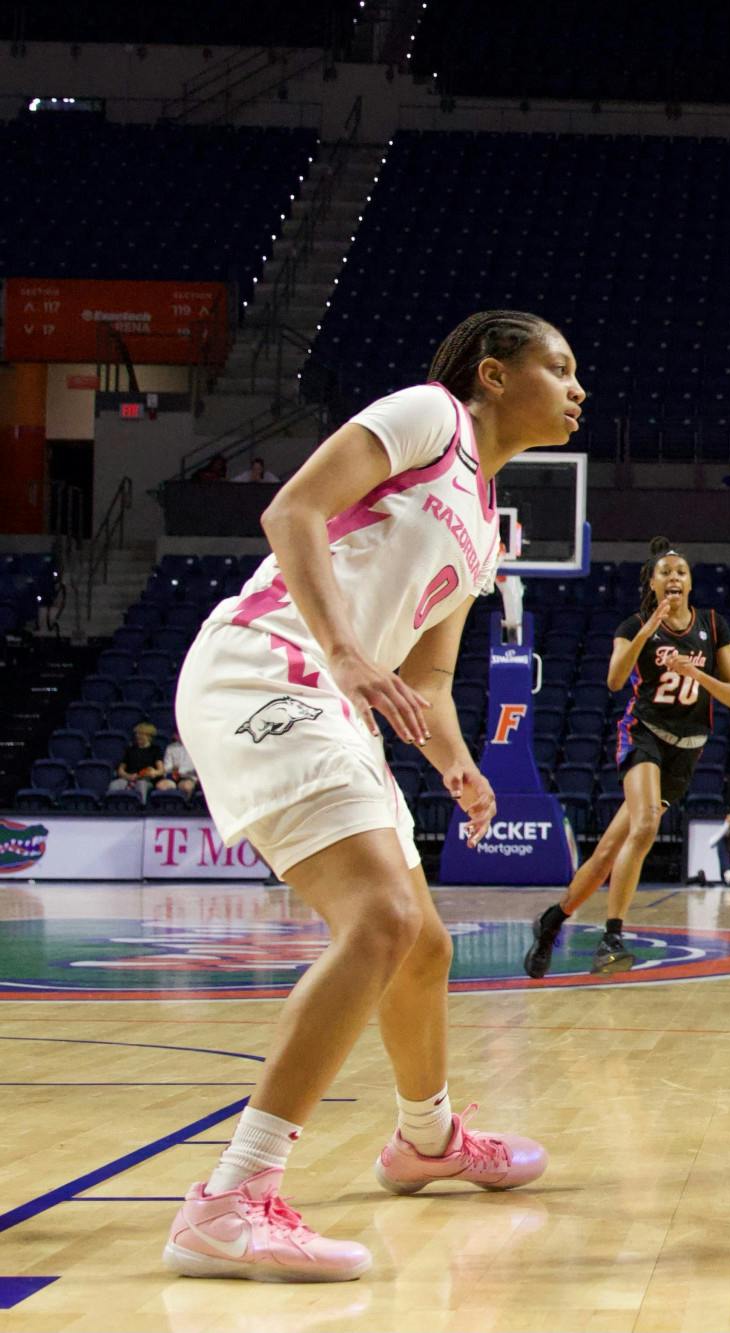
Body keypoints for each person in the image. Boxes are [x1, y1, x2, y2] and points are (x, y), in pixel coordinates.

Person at [166, 310, 576, 1281]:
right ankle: (229, 1201)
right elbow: (292, 513)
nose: (576, 388)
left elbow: (428, 678)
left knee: (423, 945)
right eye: (558, 368)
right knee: (383, 919)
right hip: (270, 666)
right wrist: (347, 651)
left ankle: (426, 1140)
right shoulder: (430, 415)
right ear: (493, 374)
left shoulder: (483, 530)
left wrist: (456, 762)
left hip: (339, 702)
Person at [524, 540, 730, 977]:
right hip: (644, 735)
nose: (674, 577)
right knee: (646, 826)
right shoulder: (634, 625)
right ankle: (612, 937)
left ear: (690, 582)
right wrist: (648, 630)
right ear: (653, 584)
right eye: (666, 572)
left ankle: (552, 921)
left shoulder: (713, 625)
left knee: (608, 851)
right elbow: (614, 679)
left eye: (681, 571)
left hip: (687, 750)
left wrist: (695, 673)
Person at [107, 720, 165, 797]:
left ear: (149, 736)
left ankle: (141, 804)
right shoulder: (130, 750)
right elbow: (121, 770)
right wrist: (128, 776)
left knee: (141, 784)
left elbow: (161, 770)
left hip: (145, 780)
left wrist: (154, 772)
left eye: (141, 734)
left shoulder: (155, 750)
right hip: (129, 778)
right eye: (137, 734)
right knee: (114, 785)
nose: (138, 736)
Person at [158, 727, 199, 797]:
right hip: (172, 776)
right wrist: (173, 769)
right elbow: (167, 766)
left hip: (188, 777)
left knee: (186, 787)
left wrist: (180, 771)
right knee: (161, 786)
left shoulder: (195, 748)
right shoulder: (170, 748)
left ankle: (187, 802)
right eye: (176, 734)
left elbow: (193, 767)